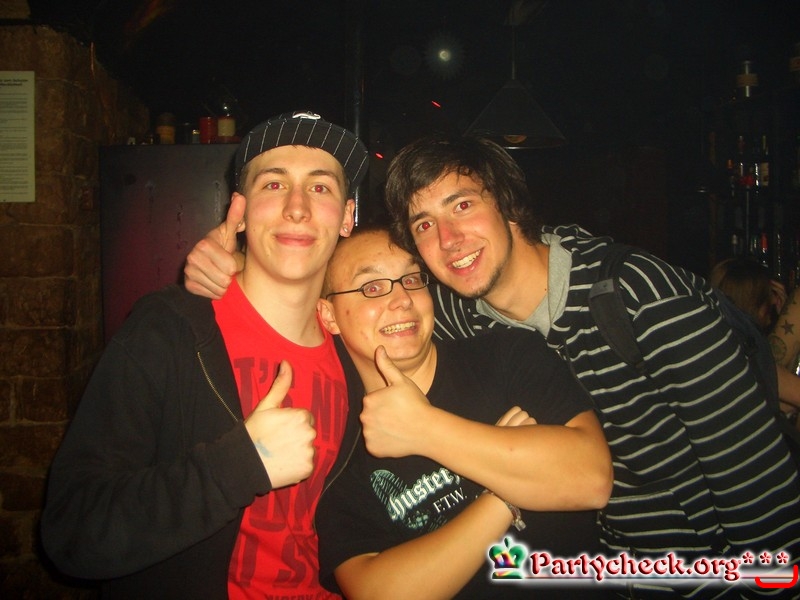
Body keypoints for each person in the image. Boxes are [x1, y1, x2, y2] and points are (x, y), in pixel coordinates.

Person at [184, 133, 800, 598]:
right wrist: (239, 268)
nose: (449, 239)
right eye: (425, 224)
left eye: (462, 205)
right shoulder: (461, 312)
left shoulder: (642, 297)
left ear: (506, 204)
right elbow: (366, 312)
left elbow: (763, 503)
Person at [40, 111, 369, 599]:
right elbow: (73, 530)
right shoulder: (170, 328)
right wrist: (239, 465)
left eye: (320, 188)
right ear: (240, 209)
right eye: (274, 184)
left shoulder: (356, 351)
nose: (297, 208)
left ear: (347, 216)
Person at [313, 227, 612, 599]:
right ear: (328, 315)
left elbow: (591, 479)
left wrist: (425, 428)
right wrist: (505, 494)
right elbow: (377, 592)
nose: (402, 299)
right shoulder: (338, 447)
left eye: (411, 279)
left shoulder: (508, 355)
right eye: (372, 288)